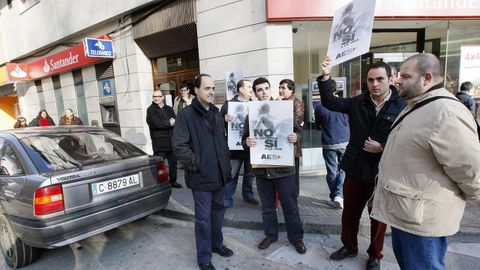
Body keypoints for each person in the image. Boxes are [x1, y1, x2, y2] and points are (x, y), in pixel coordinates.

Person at [371, 53, 480, 270]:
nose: (398, 80)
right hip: (407, 215)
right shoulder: (416, 105)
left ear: (426, 78)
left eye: (405, 76)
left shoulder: (445, 112)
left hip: (424, 221)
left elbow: (471, 169)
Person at [318, 56, 406, 270]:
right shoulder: (357, 102)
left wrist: (383, 147)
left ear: (391, 80)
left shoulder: (403, 105)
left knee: (378, 218)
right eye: (370, 80)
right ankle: (348, 246)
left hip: (382, 172)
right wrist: (326, 75)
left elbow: (408, 138)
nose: (375, 84)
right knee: (349, 214)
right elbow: (330, 102)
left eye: (380, 79)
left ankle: (375, 255)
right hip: (355, 169)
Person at [172, 74, 234, 270]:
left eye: (213, 88)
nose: (211, 92)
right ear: (196, 90)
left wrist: (225, 165)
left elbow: (221, 143)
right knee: (203, 219)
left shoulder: (216, 112)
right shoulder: (186, 115)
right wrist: (196, 164)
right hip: (200, 177)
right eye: (207, 88)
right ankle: (204, 257)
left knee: (218, 214)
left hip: (219, 176)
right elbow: (179, 146)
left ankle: (217, 245)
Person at [242, 77, 306, 255]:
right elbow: (243, 140)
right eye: (259, 90)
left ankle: (296, 238)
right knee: (268, 207)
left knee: (290, 207)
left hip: (284, 169)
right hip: (262, 169)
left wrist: (296, 138)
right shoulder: (251, 114)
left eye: (266, 89)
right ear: (254, 94)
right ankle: (271, 235)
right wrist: (247, 142)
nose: (263, 92)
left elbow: (299, 132)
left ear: (270, 90)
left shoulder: (283, 109)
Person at [220, 79, 259, 208]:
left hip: (250, 147)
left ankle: (248, 195)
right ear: (241, 89)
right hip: (234, 148)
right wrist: (224, 119)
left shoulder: (255, 104)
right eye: (249, 86)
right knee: (232, 174)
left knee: (250, 173)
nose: (251, 89)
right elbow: (218, 124)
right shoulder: (228, 104)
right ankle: (227, 198)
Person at [314, 88, 349, 209]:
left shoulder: (319, 106)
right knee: (344, 170)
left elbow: (317, 125)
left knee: (331, 171)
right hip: (345, 140)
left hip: (328, 142)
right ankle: (339, 196)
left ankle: (335, 196)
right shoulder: (344, 102)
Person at [147, 89, 182, 188]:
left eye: (158, 96)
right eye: (154, 96)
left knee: (173, 164)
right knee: (159, 165)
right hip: (159, 143)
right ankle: (160, 183)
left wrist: (173, 121)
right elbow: (155, 124)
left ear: (162, 97)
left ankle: (172, 181)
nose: (156, 98)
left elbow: (175, 119)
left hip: (171, 141)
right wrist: (168, 123)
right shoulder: (150, 110)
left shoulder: (168, 108)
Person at [278, 79, 304, 196]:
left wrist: (282, 107)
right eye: (280, 87)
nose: (280, 90)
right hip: (279, 144)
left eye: (283, 88)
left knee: (293, 174)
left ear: (291, 89)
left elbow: (297, 123)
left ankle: (294, 195)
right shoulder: (278, 101)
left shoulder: (297, 103)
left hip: (292, 145)